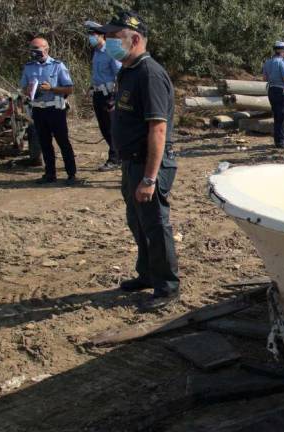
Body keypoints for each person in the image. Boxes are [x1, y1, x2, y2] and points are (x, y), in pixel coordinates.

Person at [100, 11, 180, 311]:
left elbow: (158, 128)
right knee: (137, 221)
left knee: (156, 226)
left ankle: (168, 287)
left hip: (149, 165)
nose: (108, 42)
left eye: (114, 37)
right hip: (131, 162)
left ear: (135, 39)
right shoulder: (128, 70)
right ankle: (147, 274)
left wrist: (149, 178)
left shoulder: (149, 73)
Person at [19, 37, 77, 184]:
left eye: (37, 49)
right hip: (38, 110)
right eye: (32, 49)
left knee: (63, 142)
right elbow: (23, 88)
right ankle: (50, 174)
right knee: (44, 143)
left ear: (46, 49)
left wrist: (51, 88)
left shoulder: (58, 66)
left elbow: (69, 88)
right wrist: (29, 90)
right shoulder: (29, 67)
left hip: (55, 109)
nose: (34, 52)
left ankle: (71, 174)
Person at [85, 20, 122, 171]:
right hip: (98, 94)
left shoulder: (111, 52)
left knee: (112, 128)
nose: (91, 38)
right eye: (89, 35)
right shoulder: (96, 53)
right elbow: (98, 74)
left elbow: (119, 75)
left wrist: (114, 98)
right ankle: (117, 156)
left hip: (109, 96)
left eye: (93, 34)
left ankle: (114, 158)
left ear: (102, 35)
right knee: (104, 128)